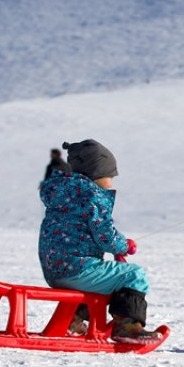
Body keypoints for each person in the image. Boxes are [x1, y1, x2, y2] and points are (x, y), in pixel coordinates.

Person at [38, 139, 162, 344]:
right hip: (77, 269)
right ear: (95, 174)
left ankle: (73, 320)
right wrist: (124, 245)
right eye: (110, 176)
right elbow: (105, 235)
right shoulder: (93, 196)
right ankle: (127, 326)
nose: (111, 182)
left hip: (55, 271)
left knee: (101, 279)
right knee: (133, 275)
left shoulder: (63, 193)